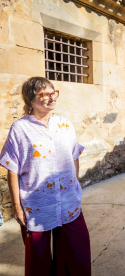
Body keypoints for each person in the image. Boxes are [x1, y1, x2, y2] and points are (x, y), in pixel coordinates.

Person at [0, 77, 91, 276]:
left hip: (69, 202)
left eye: (53, 93)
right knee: (38, 262)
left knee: (77, 254)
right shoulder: (20, 129)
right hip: (37, 205)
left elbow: (74, 156)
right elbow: (12, 169)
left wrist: (75, 184)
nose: (51, 98)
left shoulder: (65, 125)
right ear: (31, 100)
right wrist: (17, 207)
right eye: (45, 94)